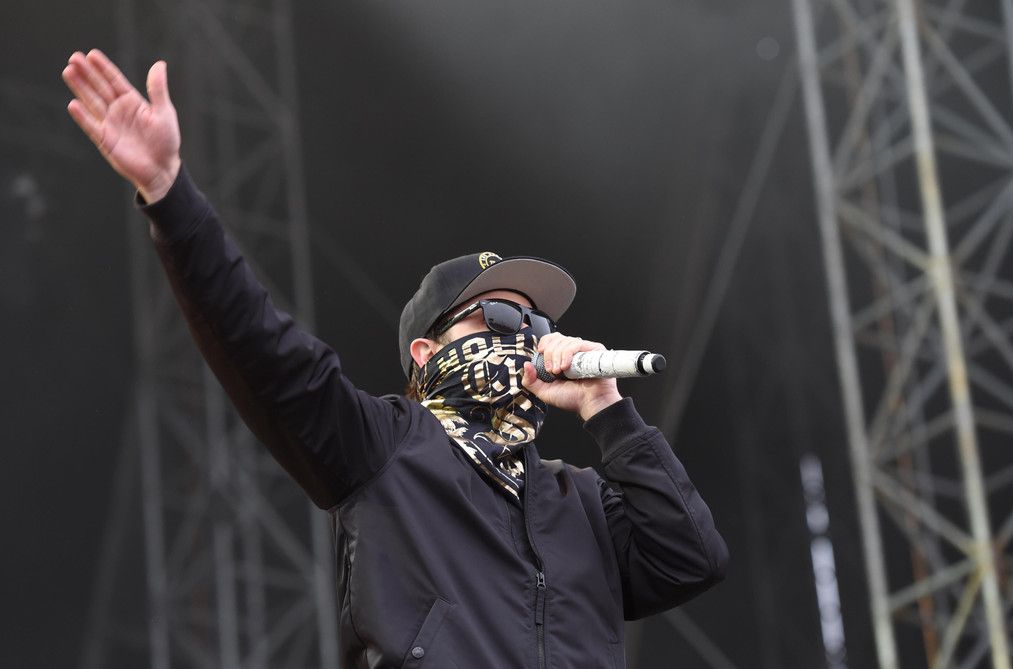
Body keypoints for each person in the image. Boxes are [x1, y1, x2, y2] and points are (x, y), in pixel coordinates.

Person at [62, 48, 728, 668]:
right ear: (426, 350)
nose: (523, 334)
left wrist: (608, 410)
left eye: (536, 322)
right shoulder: (386, 448)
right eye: (498, 317)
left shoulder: (578, 499)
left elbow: (692, 557)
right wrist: (170, 195)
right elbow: (262, 348)